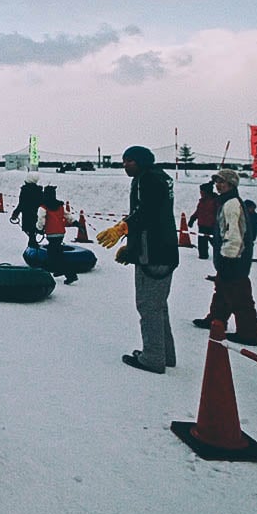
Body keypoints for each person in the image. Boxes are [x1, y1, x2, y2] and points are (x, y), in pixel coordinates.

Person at [97, 146, 179, 374]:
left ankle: (153, 357)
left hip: (152, 253)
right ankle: (165, 354)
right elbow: (152, 214)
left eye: (130, 161)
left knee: (148, 305)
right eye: (123, 161)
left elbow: (147, 214)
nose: (125, 165)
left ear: (141, 162)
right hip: (165, 250)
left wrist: (123, 229)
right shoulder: (159, 178)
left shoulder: (147, 180)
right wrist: (130, 247)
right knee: (159, 305)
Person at [192, 169, 257, 346]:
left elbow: (234, 234)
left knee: (240, 296)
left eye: (222, 182)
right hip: (230, 257)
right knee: (222, 290)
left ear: (231, 185)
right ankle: (216, 320)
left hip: (234, 258)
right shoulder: (226, 201)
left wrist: (228, 258)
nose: (218, 185)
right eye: (217, 181)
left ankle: (248, 333)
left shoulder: (231, 204)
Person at [37, 185, 78, 284]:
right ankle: (58, 270)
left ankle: (70, 275)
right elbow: (67, 215)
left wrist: (39, 229)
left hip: (51, 233)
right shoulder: (60, 206)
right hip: (60, 233)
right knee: (55, 252)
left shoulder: (43, 207)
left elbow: (41, 220)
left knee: (55, 255)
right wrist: (75, 222)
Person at [9, 172, 44, 249]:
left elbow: (21, 204)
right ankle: (33, 243)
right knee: (34, 230)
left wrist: (15, 213)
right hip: (37, 214)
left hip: (27, 214)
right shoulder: (39, 191)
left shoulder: (25, 190)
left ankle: (32, 246)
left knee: (30, 231)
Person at [187, 181, 218, 260]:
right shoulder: (202, 201)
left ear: (207, 192)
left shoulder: (216, 201)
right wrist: (192, 218)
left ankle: (221, 256)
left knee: (216, 243)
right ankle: (203, 255)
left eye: (202, 192)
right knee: (202, 243)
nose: (200, 193)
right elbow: (198, 211)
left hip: (212, 226)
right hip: (202, 225)